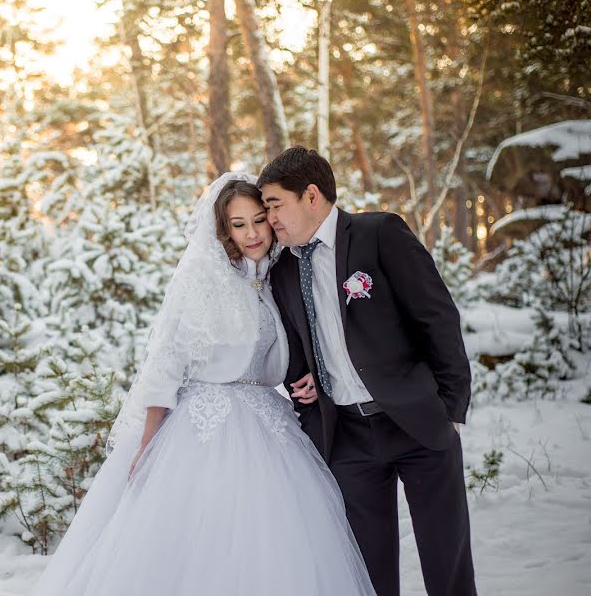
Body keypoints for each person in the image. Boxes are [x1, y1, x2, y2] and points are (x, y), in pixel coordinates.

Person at [30, 172, 375, 596]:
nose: (252, 233)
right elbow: (165, 364)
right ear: (223, 229)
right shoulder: (203, 278)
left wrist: (303, 379)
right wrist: (148, 442)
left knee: (270, 541)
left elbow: (284, 350)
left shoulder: (273, 277)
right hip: (203, 427)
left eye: (258, 220)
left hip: (269, 423)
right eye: (238, 224)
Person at [260, 146, 477, 596]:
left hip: (418, 423)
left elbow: (437, 318)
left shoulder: (379, 233)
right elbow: (299, 350)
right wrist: (306, 385)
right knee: (368, 573)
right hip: (348, 438)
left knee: (447, 564)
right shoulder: (281, 270)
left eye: (275, 205)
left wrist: (452, 409)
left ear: (312, 195)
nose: (270, 219)